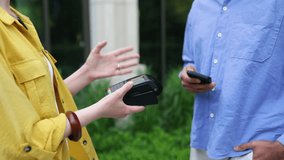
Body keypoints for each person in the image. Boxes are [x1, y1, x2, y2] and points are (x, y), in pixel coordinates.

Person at [0, 0, 145, 159]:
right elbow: (23, 144)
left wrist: (86, 73)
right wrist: (99, 110)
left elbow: (43, 101)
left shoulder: (20, 20)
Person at [179, 0, 284, 160]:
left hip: (261, 149)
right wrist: (188, 73)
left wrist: (281, 147)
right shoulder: (200, 4)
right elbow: (190, 59)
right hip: (204, 145)